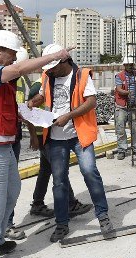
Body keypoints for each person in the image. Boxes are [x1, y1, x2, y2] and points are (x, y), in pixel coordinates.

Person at [0, 30, 71, 258]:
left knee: (11, 192)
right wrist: (55, 56)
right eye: (12, 54)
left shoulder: (0, 80)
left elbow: (9, 107)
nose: (14, 59)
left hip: (1, 147)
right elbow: (18, 70)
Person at [27, 44, 112, 243]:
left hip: (78, 134)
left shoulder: (82, 75)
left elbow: (91, 102)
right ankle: (62, 224)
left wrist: (69, 116)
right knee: (59, 181)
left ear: (64, 62)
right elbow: (43, 94)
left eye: (53, 67)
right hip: (55, 138)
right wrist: (34, 102)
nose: (50, 71)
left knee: (90, 172)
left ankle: (103, 216)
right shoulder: (48, 75)